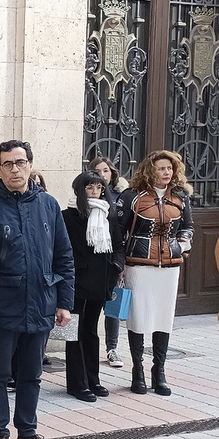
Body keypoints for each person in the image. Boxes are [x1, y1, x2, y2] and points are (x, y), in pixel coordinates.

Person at [0, 140, 74, 439]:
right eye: (8, 164)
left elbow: (64, 257)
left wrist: (64, 301)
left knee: (32, 373)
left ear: (30, 165)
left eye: (21, 162)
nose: (15, 169)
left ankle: (28, 432)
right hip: (1, 306)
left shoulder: (48, 205)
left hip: (41, 302)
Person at [117, 150, 193, 396]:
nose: (166, 173)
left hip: (169, 266)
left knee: (163, 317)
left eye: (169, 169)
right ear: (150, 171)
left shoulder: (181, 196)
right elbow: (119, 231)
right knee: (138, 317)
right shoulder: (132, 195)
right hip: (138, 264)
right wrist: (120, 264)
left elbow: (188, 227)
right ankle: (137, 371)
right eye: (161, 168)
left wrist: (181, 244)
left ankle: (158, 371)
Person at [62, 171, 123, 402]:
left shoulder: (107, 214)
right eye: (90, 187)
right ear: (79, 189)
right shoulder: (67, 215)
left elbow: (118, 244)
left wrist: (116, 266)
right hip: (76, 280)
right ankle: (77, 383)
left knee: (91, 330)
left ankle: (93, 379)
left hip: (100, 279)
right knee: (73, 331)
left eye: (99, 187)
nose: (95, 191)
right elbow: (62, 249)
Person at [88, 156, 129, 368]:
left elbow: (123, 231)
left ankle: (112, 348)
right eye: (98, 171)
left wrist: (119, 264)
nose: (103, 174)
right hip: (90, 265)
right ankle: (88, 347)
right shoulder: (85, 197)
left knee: (112, 308)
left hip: (112, 259)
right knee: (90, 312)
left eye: (106, 170)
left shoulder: (121, 198)